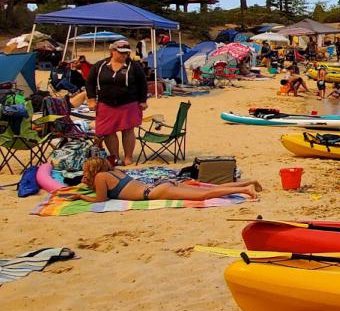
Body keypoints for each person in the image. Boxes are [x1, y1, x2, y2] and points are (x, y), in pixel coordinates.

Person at [81, 157, 261, 202]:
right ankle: (247, 182)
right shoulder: (115, 171)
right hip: (159, 185)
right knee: (208, 188)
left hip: (155, 192)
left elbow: (100, 200)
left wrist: (82, 197)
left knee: (206, 194)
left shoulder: (100, 177)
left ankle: (244, 190)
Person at [86, 40, 148, 166]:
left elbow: (143, 84)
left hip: (128, 102)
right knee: (108, 131)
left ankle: (128, 157)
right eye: (121, 53)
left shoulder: (134, 66)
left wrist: (142, 101)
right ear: (112, 51)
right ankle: (115, 157)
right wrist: (91, 99)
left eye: (126, 53)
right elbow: (90, 83)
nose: (124, 55)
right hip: (106, 103)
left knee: (127, 130)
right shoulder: (100, 65)